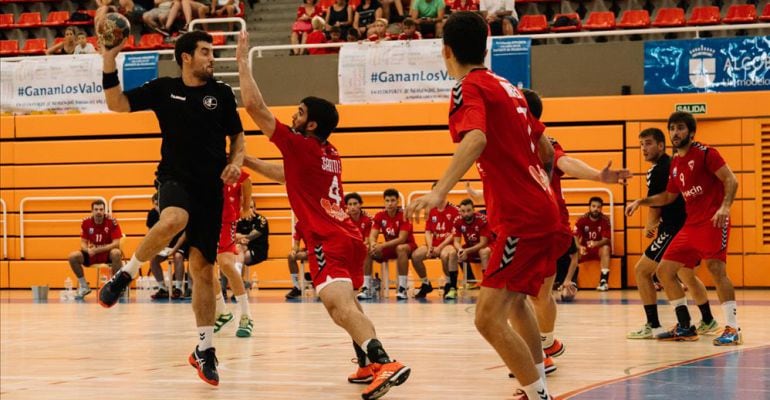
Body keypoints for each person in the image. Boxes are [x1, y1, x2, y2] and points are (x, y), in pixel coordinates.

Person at [238, 30, 410, 399]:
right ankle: (366, 362)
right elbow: (286, 175)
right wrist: (244, 160)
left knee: (337, 306)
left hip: (326, 239)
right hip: (348, 239)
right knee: (349, 305)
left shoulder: (299, 144)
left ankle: (385, 362)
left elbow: (254, 107)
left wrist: (241, 59)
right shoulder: (329, 152)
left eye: (299, 113)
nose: (293, 117)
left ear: (310, 124)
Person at [406, 12, 562, 400]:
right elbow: (545, 148)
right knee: (515, 304)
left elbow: (474, 137)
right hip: (542, 208)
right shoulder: (508, 86)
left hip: (520, 216)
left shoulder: (467, 88)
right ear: (486, 46)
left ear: (446, 51)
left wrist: (440, 191)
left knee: (487, 317)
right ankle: (536, 383)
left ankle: (538, 394)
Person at [97, 31, 245, 386]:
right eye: (206, 52)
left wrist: (237, 161)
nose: (212, 58)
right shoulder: (164, 89)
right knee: (174, 218)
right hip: (174, 178)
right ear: (185, 57)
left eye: (213, 52)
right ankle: (127, 273)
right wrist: (108, 59)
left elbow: (238, 137)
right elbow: (116, 103)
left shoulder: (221, 94)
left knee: (203, 271)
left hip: (212, 188)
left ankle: (204, 350)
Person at [520, 88, 631, 375]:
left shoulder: (543, 142)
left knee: (517, 297)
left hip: (543, 226)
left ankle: (536, 355)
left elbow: (564, 162)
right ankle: (546, 345)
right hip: (532, 225)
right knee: (538, 295)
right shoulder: (510, 139)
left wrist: (597, 175)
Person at [626, 111, 741, 346]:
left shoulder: (706, 153)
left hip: (713, 221)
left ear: (691, 131)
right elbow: (669, 196)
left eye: (680, 128)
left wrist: (725, 207)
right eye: (672, 128)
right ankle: (686, 327)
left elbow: (731, 179)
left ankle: (733, 328)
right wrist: (641, 202)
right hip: (690, 225)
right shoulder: (676, 163)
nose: (675, 133)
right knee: (665, 271)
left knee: (716, 270)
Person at [213, 169, 255, 338]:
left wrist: (245, 207)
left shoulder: (227, 164)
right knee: (204, 268)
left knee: (226, 264)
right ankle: (222, 312)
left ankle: (246, 316)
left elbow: (246, 180)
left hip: (226, 220)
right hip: (206, 220)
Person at [369, 188, 427, 300]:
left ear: (398, 202)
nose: (390, 203)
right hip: (390, 247)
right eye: (387, 201)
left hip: (408, 246)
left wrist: (382, 246)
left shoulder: (404, 215)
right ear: (384, 202)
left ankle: (402, 287)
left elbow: (402, 239)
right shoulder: (380, 215)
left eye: (393, 200)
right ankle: (367, 287)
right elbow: (373, 235)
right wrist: (373, 244)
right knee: (367, 249)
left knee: (400, 248)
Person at [67, 200, 123, 299]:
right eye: (96, 209)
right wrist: (87, 250)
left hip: (107, 253)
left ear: (104, 211)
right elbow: (83, 242)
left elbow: (116, 244)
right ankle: (84, 286)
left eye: (101, 209)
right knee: (73, 256)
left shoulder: (112, 221)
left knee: (117, 253)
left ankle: (116, 286)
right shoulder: (86, 222)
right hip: (92, 254)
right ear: (91, 211)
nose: (98, 212)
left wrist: (98, 250)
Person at [411, 183, 459, 299]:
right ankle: (426, 283)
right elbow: (427, 231)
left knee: (445, 255)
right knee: (415, 256)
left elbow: (453, 234)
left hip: (448, 244)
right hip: (434, 244)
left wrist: (439, 247)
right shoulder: (431, 210)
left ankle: (449, 284)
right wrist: (431, 246)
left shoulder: (454, 210)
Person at [145, 193, 188, 300]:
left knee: (178, 257)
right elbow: (151, 233)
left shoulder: (175, 213)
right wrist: (154, 248)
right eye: (155, 204)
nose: (157, 206)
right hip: (163, 245)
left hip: (179, 243)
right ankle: (162, 288)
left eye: (159, 203)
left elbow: (184, 234)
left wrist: (174, 249)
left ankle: (178, 288)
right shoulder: (152, 214)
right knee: (153, 259)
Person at [450, 198, 491, 299]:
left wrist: (466, 251)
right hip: (470, 247)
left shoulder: (482, 219)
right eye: (463, 211)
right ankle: (452, 288)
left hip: (487, 246)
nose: (466, 214)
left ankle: (486, 287)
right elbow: (456, 241)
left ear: (473, 210)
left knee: (483, 252)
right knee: (453, 254)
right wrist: (460, 250)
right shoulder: (457, 220)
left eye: (468, 210)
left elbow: (483, 243)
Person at [573, 197, 612, 291]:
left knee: (606, 247)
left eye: (598, 207)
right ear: (589, 207)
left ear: (601, 208)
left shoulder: (605, 220)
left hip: (598, 248)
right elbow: (574, 236)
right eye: (593, 206)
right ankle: (572, 281)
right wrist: (579, 247)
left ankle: (603, 281)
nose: (596, 209)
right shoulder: (582, 219)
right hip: (585, 249)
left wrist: (596, 243)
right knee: (573, 249)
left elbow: (607, 240)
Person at [345, 193, 376, 300]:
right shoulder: (343, 220)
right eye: (350, 204)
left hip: (362, 247)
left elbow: (367, 240)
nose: (352, 207)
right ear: (347, 207)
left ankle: (366, 287)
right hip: (348, 247)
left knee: (367, 249)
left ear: (360, 205)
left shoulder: (368, 219)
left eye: (355, 204)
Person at [236, 201, 269, 282]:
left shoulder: (261, 220)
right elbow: (234, 236)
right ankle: (235, 284)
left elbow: (254, 235)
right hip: (243, 247)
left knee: (235, 259)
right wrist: (245, 237)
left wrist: (243, 237)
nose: (249, 210)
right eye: (246, 208)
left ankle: (239, 283)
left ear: (255, 208)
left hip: (258, 250)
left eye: (251, 207)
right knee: (233, 252)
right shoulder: (240, 220)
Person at [285, 221, 309, 299]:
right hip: (309, 250)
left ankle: (313, 279)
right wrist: (294, 251)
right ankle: (297, 287)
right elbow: (296, 244)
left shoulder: (317, 220)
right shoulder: (299, 224)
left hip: (322, 249)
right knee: (290, 256)